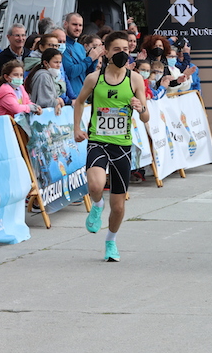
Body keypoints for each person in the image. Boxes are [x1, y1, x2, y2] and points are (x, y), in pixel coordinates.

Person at [73, 30, 150, 262]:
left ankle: (110, 242)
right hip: (98, 140)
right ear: (105, 52)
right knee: (95, 185)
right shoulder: (94, 79)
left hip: (122, 146)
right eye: (117, 50)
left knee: (117, 207)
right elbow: (78, 102)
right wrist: (76, 128)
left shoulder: (135, 79)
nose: (122, 54)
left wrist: (140, 107)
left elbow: (146, 118)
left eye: (126, 50)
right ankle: (97, 205)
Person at [24, 48, 66, 113]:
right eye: (55, 62)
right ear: (46, 63)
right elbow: (45, 102)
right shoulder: (44, 76)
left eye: (60, 62)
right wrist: (59, 100)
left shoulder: (48, 74)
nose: (58, 65)